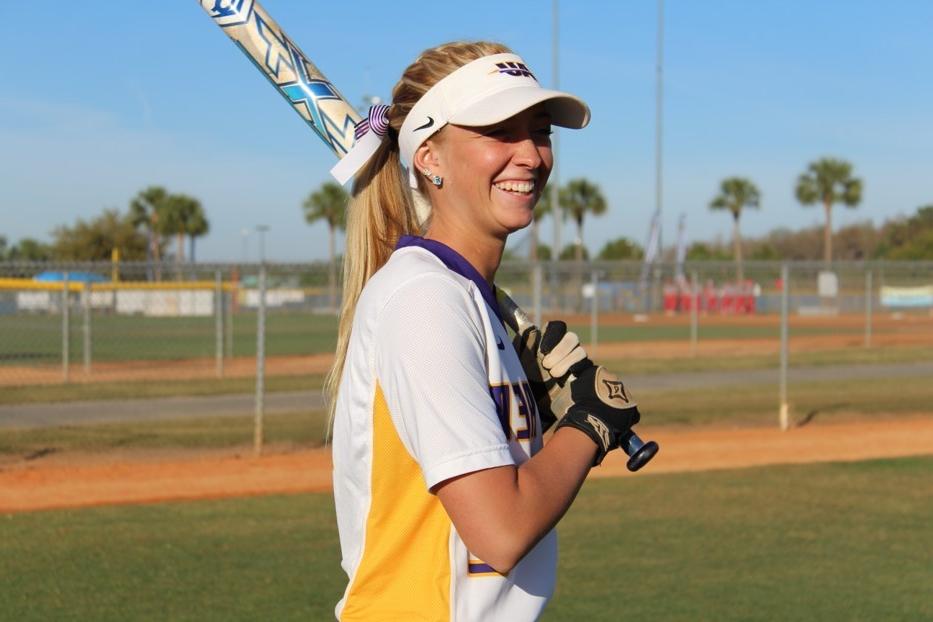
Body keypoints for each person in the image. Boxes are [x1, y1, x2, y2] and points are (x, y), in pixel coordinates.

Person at [328, 41, 641, 621]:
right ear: (430, 157)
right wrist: (590, 423)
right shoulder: (425, 299)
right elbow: (500, 531)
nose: (531, 154)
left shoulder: (463, 297)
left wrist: (540, 423)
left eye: (540, 131)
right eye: (499, 131)